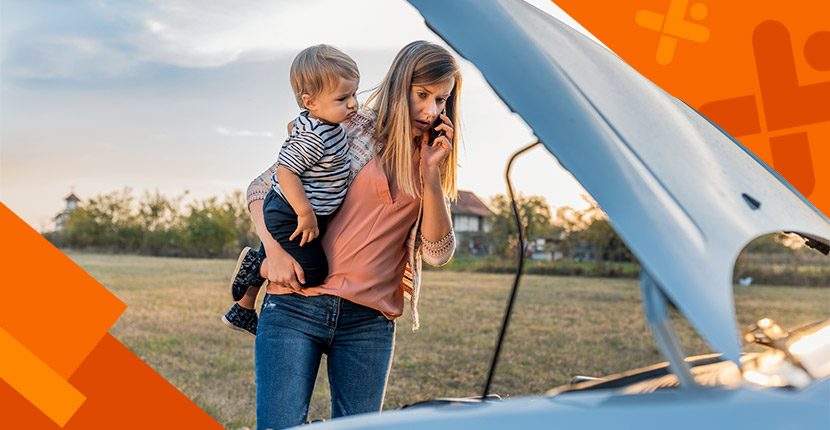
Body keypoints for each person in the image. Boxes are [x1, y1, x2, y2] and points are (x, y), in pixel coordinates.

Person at [249, 40, 462, 429]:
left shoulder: (432, 158)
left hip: (369, 322)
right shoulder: (350, 129)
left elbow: (437, 253)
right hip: (297, 306)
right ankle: (256, 267)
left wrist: (431, 176)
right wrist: (274, 255)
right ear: (400, 85)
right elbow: (261, 188)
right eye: (422, 95)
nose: (432, 111)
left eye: (442, 100)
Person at [221, 44, 360, 335]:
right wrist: (305, 212)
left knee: (291, 252)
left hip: (297, 211)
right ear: (310, 102)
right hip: (291, 212)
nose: (353, 104)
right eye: (342, 98)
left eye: (354, 94)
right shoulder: (315, 135)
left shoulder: (326, 122)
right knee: (313, 273)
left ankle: (242, 310)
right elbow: (285, 172)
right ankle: (256, 266)